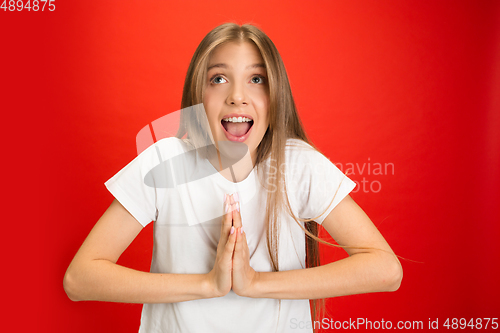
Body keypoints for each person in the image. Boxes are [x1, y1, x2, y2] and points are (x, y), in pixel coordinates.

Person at [63, 23, 402, 333]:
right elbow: (80, 278)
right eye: (219, 79)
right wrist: (209, 284)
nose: (237, 95)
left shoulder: (297, 164)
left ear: (275, 98)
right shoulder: (165, 160)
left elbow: (385, 270)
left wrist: (253, 283)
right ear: (199, 97)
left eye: (256, 79)